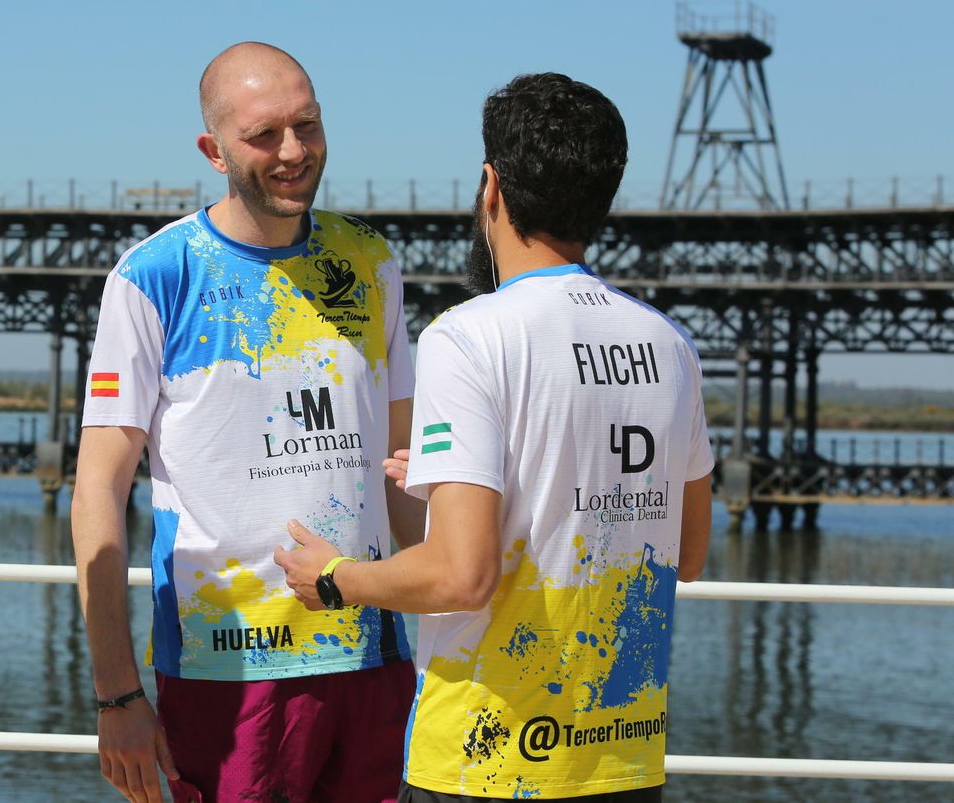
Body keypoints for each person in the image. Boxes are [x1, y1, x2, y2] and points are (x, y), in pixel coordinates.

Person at [276, 73, 714, 801]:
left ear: (491, 186)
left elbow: (461, 575)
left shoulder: (469, 336)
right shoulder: (668, 345)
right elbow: (687, 553)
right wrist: (476, 475)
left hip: (488, 761)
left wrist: (335, 578)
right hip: (621, 760)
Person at [73, 42, 422, 803]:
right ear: (214, 150)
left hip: (372, 653)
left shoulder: (370, 262)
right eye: (265, 135)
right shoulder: (154, 275)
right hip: (224, 668)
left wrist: (461, 595)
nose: (294, 152)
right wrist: (116, 694)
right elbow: (98, 488)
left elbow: (404, 469)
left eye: (309, 126)